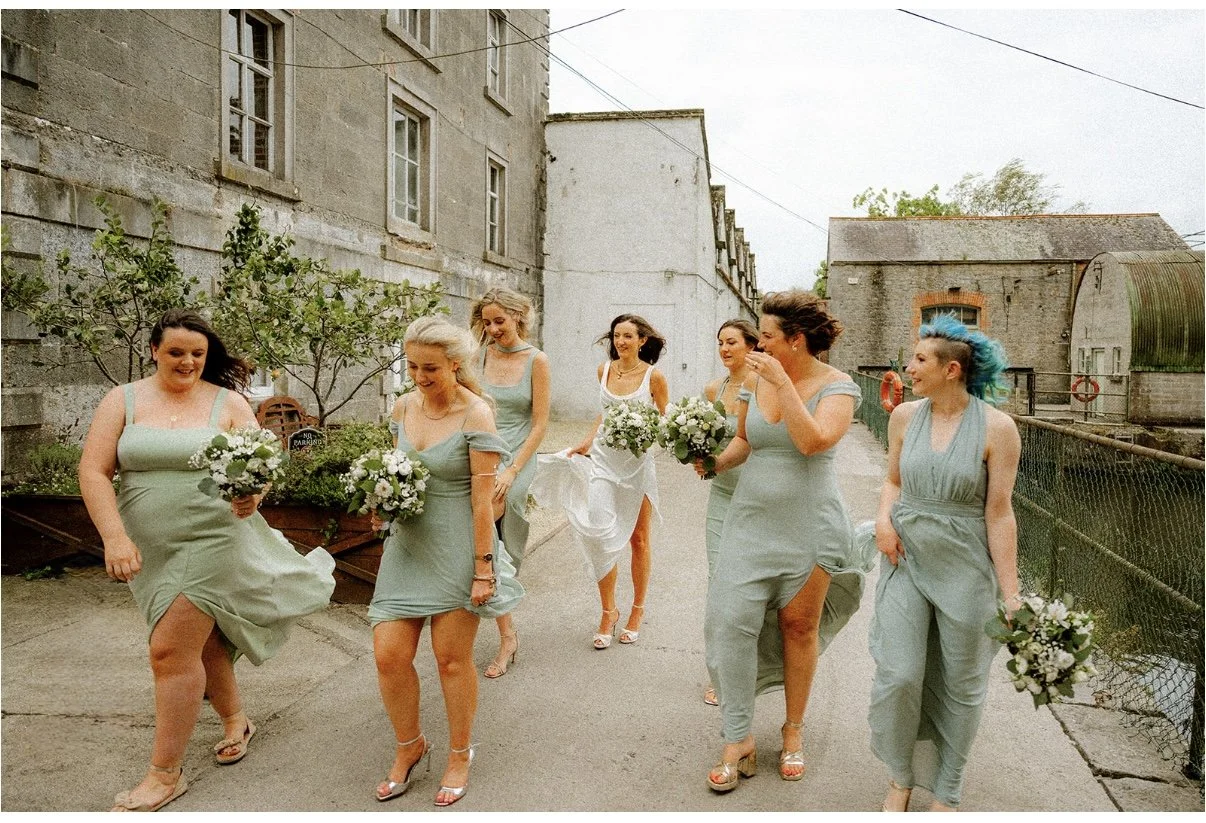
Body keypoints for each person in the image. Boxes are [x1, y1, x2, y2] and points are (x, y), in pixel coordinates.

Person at [78, 309, 335, 812]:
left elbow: (261, 465)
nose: (188, 362)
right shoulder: (122, 400)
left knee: (170, 652)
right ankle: (236, 718)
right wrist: (114, 538)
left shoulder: (228, 403)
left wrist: (252, 497)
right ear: (154, 350)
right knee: (203, 641)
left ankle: (164, 775)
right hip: (147, 547)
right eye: (176, 352)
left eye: (197, 354)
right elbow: (92, 470)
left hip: (214, 539)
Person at [700, 290, 863, 792]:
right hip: (748, 522)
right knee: (729, 623)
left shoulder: (839, 386)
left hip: (810, 526)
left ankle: (793, 730)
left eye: (766, 336)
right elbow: (746, 441)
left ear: (795, 340)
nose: (758, 344)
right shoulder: (755, 381)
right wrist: (712, 461)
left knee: (797, 628)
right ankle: (738, 737)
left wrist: (781, 385)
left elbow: (814, 440)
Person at [866, 314, 1021, 812]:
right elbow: (893, 479)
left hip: (965, 566)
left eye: (918, 359)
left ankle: (948, 787)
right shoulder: (904, 417)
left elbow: (999, 512)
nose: (908, 367)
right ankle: (900, 775)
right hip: (906, 554)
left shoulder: (999, 428)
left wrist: (1011, 592)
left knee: (962, 680)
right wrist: (884, 522)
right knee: (901, 674)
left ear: (951, 370)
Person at [369, 315, 523, 807]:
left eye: (430, 368)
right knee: (389, 654)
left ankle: (459, 753)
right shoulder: (401, 407)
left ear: (455, 365)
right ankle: (410, 745)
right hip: (406, 547)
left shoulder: (476, 414)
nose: (419, 376)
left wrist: (484, 569)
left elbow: (484, 502)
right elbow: (396, 472)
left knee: (451, 661)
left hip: (458, 546)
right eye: (411, 365)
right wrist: (381, 502)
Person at [531, 314, 668, 649]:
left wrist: (643, 433)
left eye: (628, 336)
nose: (621, 342)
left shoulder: (654, 377)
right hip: (604, 464)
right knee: (600, 534)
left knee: (638, 540)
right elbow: (604, 414)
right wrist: (586, 442)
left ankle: (636, 610)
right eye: (616, 335)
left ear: (642, 341)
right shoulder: (603, 371)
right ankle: (609, 611)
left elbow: (665, 419)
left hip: (637, 466)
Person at [468, 288, 550, 680]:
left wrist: (513, 469)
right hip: (479, 452)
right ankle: (506, 632)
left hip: (517, 455)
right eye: (487, 322)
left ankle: (505, 632)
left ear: (519, 317)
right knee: (479, 536)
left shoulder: (537, 360)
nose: (493, 329)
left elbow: (540, 423)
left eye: (500, 321)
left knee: (496, 521)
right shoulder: (477, 357)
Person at [700, 318, 759, 706]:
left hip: (756, 494)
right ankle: (719, 670)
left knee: (753, 587)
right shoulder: (712, 389)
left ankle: (756, 667)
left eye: (732, 342)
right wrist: (695, 452)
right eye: (720, 342)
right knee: (718, 580)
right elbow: (704, 435)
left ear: (752, 345)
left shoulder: (764, 385)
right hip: (722, 493)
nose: (724, 349)